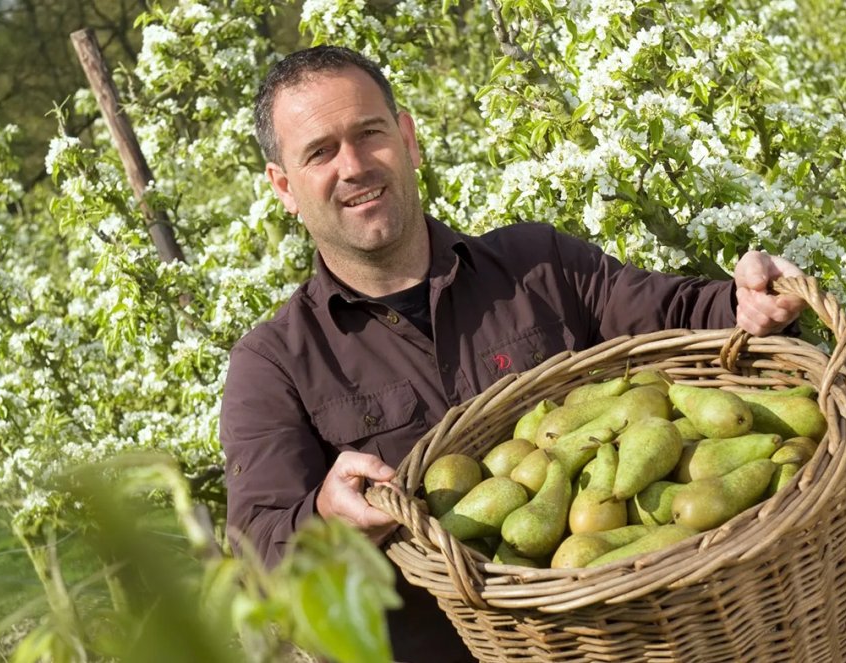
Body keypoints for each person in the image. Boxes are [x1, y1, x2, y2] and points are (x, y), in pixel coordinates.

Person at [220, 45, 806, 662]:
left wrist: (748, 305)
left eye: (370, 134)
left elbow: (683, 318)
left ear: (410, 139)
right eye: (320, 152)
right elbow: (261, 556)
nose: (356, 165)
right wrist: (327, 519)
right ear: (284, 187)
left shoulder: (539, 265)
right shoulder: (273, 364)